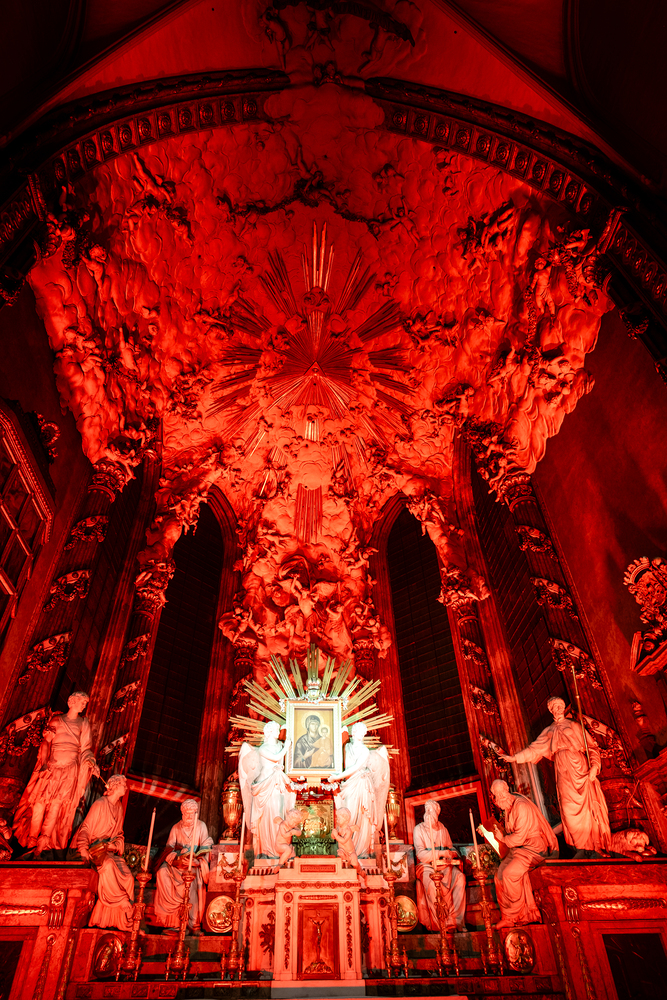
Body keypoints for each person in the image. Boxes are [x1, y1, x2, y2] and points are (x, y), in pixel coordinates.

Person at [500, 696, 611, 854]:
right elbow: (533, 750)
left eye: (560, 705)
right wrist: (515, 758)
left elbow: (592, 747)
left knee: (588, 807)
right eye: (554, 707)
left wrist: (594, 766)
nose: (558, 708)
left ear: (563, 707)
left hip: (579, 766)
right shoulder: (549, 731)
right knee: (567, 808)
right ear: (551, 710)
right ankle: (581, 848)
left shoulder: (574, 725)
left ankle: (594, 846)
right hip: (562, 769)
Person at [13, 691, 99, 856]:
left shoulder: (83, 723)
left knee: (56, 805)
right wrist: (45, 763)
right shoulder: (56, 720)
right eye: (82, 702)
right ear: (71, 701)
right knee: (39, 803)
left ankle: (42, 843)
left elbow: (86, 749)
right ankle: (31, 840)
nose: (83, 706)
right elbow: (46, 743)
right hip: (52, 766)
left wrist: (90, 762)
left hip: (69, 769)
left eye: (85, 704)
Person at [486, 779, 558, 928]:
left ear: (502, 794)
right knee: (499, 876)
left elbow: (518, 837)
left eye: (495, 796)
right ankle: (506, 916)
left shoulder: (521, 807)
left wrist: (502, 838)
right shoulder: (509, 807)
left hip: (533, 849)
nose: (495, 801)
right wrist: (490, 833)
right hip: (519, 850)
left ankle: (516, 915)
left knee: (509, 874)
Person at [74, 773, 134, 930]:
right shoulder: (100, 804)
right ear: (115, 786)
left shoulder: (119, 807)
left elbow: (119, 834)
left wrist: (116, 844)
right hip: (95, 850)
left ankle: (120, 921)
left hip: (109, 851)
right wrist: (83, 848)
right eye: (123, 785)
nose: (126, 788)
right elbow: (86, 829)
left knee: (128, 877)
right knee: (107, 866)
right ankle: (123, 902)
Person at [329, 721, 389, 858]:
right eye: (359, 731)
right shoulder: (347, 747)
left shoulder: (365, 750)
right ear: (353, 732)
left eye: (364, 732)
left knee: (361, 816)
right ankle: (347, 849)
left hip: (361, 784)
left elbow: (356, 767)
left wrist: (337, 777)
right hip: (349, 784)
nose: (362, 734)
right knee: (347, 814)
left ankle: (360, 851)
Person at [153, 799, 213, 931]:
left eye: (192, 814)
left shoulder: (201, 826)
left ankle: (191, 922)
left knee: (192, 878)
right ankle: (172, 920)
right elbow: (168, 848)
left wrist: (197, 862)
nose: (190, 817)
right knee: (162, 872)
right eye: (187, 814)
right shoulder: (176, 827)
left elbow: (206, 848)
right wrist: (176, 856)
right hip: (177, 865)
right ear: (182, 813)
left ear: (196, 813)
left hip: (193, 866)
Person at [238, 722, 296, 858]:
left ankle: (279, 850)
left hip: (278, 783)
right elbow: (276, 758)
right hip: (265, 784)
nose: (278, 732)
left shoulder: (280, 745)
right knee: (267, 816)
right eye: (276, 730)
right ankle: (266, 851)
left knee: (279, 812)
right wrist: (287, 746)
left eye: (278, 730)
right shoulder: (263, 748)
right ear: (269, 732)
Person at [413, 800, 467, 931]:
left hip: (445, 867)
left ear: (437, 813)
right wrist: (441, 853)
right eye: (426, 810)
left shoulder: (443, 829)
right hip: (426, 866)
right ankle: (439, 925)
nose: (428, 813)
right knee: (432, 885)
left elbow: (451, 848)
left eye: (431, 810)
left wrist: (452, 854)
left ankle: (456, 921)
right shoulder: (419, 829)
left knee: (460, 878)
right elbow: (421, 854)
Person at [332, 806, 365, 885]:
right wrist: (333, 834)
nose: (337, 820)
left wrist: (336, 835)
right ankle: (343, 874)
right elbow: (333, 837)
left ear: (346, 819)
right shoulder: (338, 828)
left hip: (350, 852)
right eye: (337, 818)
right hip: (342, 850)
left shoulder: (348, 830)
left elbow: (343, 840)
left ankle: (360, 871)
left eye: (339, 818)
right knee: (340, 857)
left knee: (355, 863)